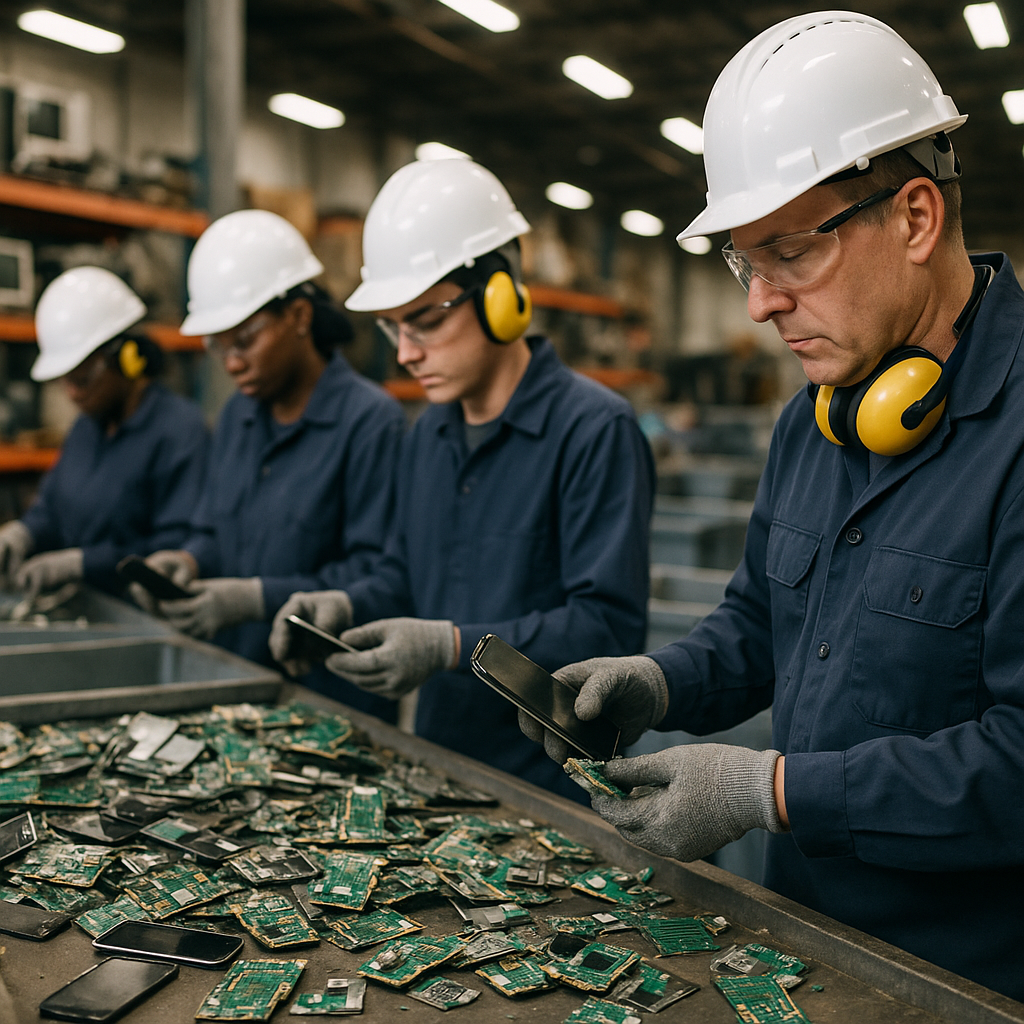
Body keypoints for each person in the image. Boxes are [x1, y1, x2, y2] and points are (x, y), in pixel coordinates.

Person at [519, 11, 1024, 999]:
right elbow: (760, 624)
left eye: (789, 252)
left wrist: (773, 788)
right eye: (745, 262)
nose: (759, 303)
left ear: (915, 218)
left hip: (961, 984)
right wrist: (657, 683)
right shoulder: (816, 419)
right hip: (795, 943)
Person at [269, 158, 655, 801]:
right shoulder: (428, 433)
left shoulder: (593, 430)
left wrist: (451, 646)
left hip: (554, 784)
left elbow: (606, 631)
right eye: (392, 327)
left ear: (502, 299)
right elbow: (405, 575)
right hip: (443, 765)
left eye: (425, 322)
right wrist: (345, 605)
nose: (404, 352)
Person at [136, 209, 405, 719]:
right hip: (235, 679)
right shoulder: (237, 415)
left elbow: (376, 575)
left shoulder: (371, 421)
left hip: (328, 702)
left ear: (300, 316)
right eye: (218, 347)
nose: (232, 363)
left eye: (244, 341)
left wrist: (253, 599)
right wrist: (189, 561)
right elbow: (214, 529)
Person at [0, 266, 207, 602]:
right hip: (83, 604)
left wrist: (83, 564)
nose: (72, 394)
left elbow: (175, 548)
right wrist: (22, 533)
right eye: (65, 381)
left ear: (126, 358)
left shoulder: (181, 432)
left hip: (138, 612)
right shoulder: (87, 426)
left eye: (82, 380)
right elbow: (53, 507)